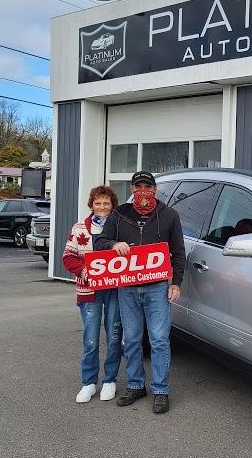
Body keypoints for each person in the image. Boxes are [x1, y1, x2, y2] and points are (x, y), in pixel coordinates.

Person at [94, 171, 185, 414]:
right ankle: (135, 385)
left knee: (159, 339)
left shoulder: (169, 215)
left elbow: (178, 252)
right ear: (132, 189)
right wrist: (114, 244)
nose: (143, 190)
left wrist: (176, 283)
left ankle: (161, 390)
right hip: (128, 287)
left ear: (155, 189)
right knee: (132, 339)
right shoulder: (119, 214)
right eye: (138, 186)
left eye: (147, 186)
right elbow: (99, 242)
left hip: (157, 287)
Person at [62, 185, 122, 403]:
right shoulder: (80, 228)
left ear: (112, 205)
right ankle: (88, 382)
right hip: (89, 290)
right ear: (91, 205)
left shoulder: (120, 228)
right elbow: (68, 257)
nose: (102, 206)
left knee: (114, 336)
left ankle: (109, 380)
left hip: (115, 290)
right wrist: (83, 271)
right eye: (98, 203)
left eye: (106, 203)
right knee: (91, 339)